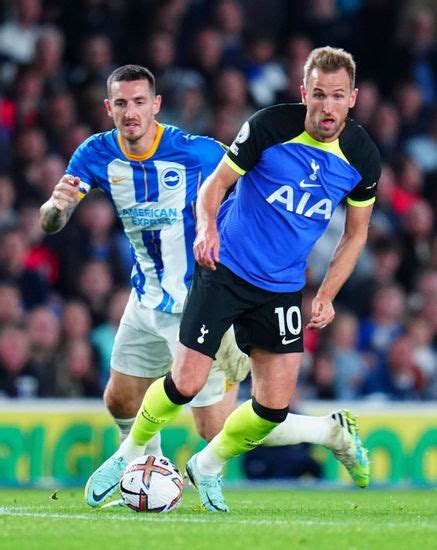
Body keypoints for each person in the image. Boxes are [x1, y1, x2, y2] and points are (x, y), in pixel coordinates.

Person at [84, 49, 377, 511]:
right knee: (183, 382)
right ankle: (127, 455)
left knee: (270, 408)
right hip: (225, 271)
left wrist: (326, 294)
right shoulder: (268, 128)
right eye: (318, 94)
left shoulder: (362, 157)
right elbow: (214, 186)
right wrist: (208, 229)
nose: (327, 106)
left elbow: (356, 234)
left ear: (353, 99)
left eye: (337, 96)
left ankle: (207, 467)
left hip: (281, 287)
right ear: (304, 93)